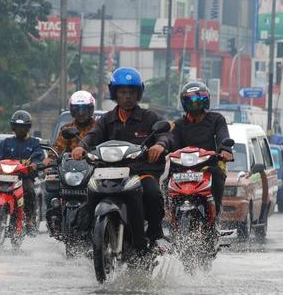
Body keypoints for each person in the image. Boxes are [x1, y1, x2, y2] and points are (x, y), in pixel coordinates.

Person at [71, 67, 172, 252]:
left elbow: (164, 134)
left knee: (152, 194)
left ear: (138, 94)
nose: (127, 96)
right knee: (89, 191)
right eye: (123, 92)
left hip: (141, 172)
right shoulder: (106, 119)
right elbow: (93, 135)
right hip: (109, 171)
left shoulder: (149, 117)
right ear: (115, 93)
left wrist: (160, 145)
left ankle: (155, 236)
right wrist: (81, 146)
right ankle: (88, 236)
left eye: (131, 92)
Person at [169, 81, 233, 214]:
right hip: (182, 169)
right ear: (184, 102)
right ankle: (167, 215)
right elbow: (171, 143)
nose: (194, 103)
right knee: (164, 182)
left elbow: (223, 136)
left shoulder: (217, 119)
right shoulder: (179, 124)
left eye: (198, 99)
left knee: (217, 177)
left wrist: (225, 150)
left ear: (206, 100)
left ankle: (215, 216)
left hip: (209, 166)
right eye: (190, 100)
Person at [0, 110, 44, 234]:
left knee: (29, 190)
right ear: (13, 127)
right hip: (5, 176)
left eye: (23, 127)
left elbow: (39, 157)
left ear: (28, 127)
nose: (20, 130)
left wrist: (35, 164)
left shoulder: (34, 143)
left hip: (24, 177)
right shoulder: (6, 142)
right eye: (17, 127)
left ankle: (29, 219)